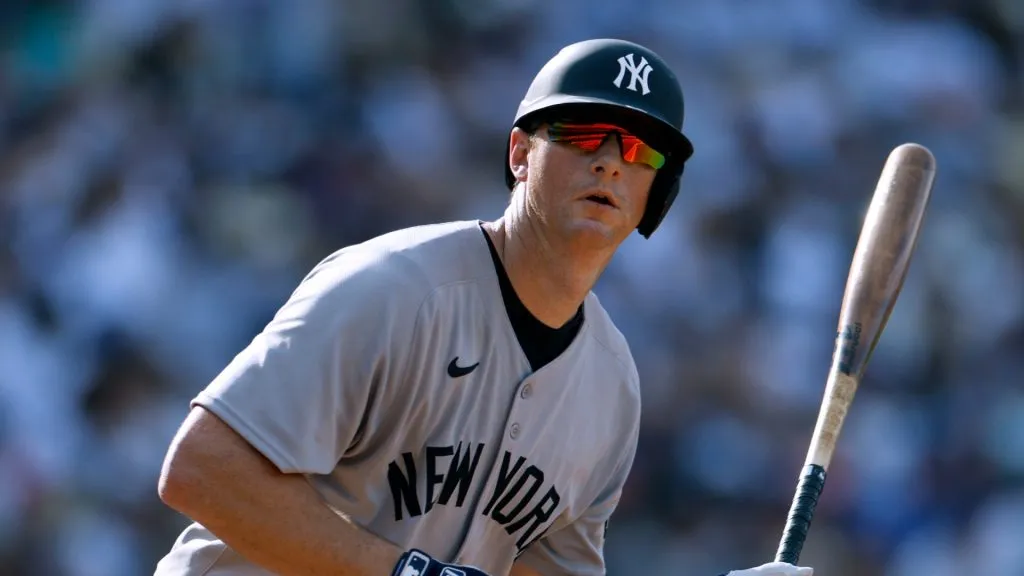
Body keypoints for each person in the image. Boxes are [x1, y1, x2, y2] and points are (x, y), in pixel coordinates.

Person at [154, 38, 814, 576]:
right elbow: (200, 469)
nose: (611, 164)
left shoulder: (611, 386)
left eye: (640, 149)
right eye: (585, 135)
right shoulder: (391, 287)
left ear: (656, 194)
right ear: (521, 154)